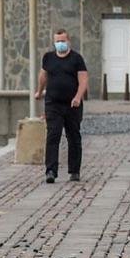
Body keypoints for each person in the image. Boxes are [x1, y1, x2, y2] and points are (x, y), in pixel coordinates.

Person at [33, 26, 88, 184]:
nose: (60, 44)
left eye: (63, 41)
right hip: (53, 104)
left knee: (73, 137)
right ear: (54, 42)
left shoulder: (76, 59)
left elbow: (83, 80)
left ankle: (74, 170)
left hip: (72, 105)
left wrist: (78, 97)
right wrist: (39, 91)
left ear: (68, 41)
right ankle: (51, 170)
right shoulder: (48, 58)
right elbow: (43, 76)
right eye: (57, 41)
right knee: (53, 136)